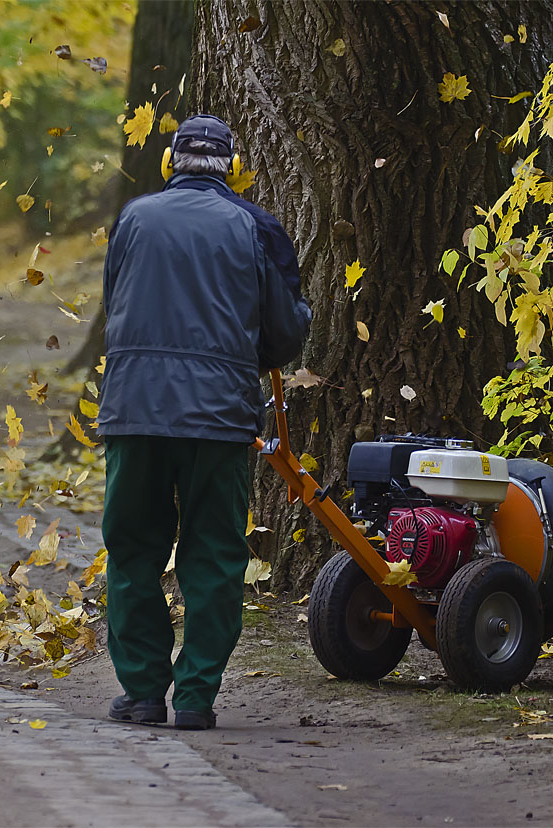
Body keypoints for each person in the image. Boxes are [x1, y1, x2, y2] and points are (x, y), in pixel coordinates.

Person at [97, 114, 311, 730]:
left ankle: (141, 692)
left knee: (133, 549)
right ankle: (194, 698)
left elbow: (119, 305)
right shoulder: (255, 227)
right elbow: (283, 334)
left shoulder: (133, 219)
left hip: (134, 411)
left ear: (172, 162)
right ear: (229, 166)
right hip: (217, 419)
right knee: (214, 555)